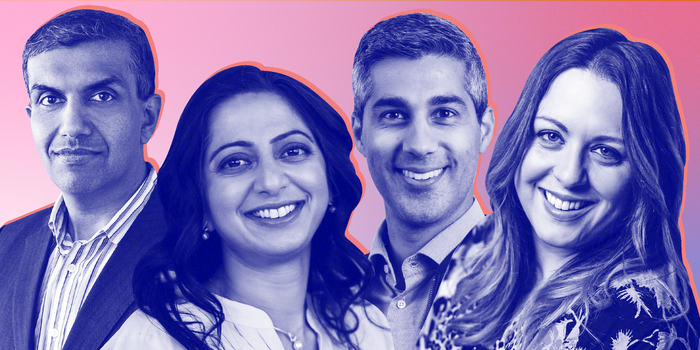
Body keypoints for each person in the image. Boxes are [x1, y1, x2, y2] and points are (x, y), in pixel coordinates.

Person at [421, 28, 700, 350]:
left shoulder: (644, 316)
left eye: (605, 151)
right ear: (520, 140)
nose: (569, 175)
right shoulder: (478, 245)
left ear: (645, 174)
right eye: (551, 136)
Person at [102, 64, 393, 350]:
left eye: (293, 151)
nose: (271, 181)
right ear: (200, 203)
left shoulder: (370, 330)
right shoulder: (151, 341)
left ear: (330, 179)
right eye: (235, 162)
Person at [0, 8, 164, 350]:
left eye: (102, 96)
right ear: (31, 116)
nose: (72, 126)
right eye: (50, 99)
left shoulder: (206, 244)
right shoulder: (7, 245)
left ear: (147, 117)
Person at [350, 12, 495, 350]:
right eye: (394, 115)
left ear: (484, 130)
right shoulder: (324, 294)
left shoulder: (548, 284)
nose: (419, 145)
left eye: (444, 113)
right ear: (360, 133)